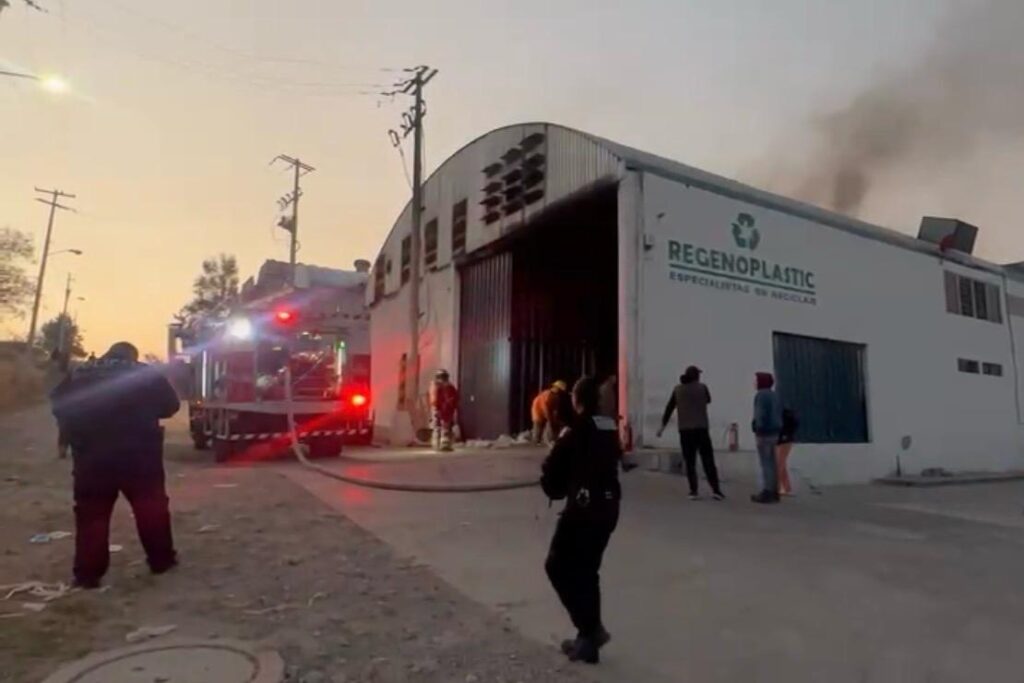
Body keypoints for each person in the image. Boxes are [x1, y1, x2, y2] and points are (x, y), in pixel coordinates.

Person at [50, 342, 181, 588]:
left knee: (92, 514)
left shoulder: (81, 372)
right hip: (140, 456)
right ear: (133, 354)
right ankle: (161, 561)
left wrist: (79, 426)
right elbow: (171, 406)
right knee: (150, 509)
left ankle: (88, 575)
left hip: (92, 457)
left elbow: (58, 404)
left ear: (106, 352)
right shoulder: (144, 372)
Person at [541, 376, 621, 665]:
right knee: (588, 571)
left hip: (584, 509)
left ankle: (589, 630)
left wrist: (556, 484)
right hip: (609, 507)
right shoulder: (608, 427)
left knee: (557, 565)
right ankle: (588, 641)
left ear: (577, 400)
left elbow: (552, 476)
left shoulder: (574, 430)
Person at [656, 366, 724, 500]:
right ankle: (716, 490)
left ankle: (693, 491)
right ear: (696, 376)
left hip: (685, 430)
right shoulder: (702, 388)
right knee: (708, 460)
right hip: (701, 429)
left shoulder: (677, 390)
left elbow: (669, 408)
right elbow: (708, 400)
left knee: (690, 461)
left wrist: (662, 427)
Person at [751, 372, 784, 504]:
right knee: (773, 462)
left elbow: (760, 414)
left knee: (766, 463)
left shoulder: (761, 395)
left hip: (764, 432)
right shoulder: (774, 395)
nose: (755, 382)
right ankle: (775, 490)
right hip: (775, 432)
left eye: (756, 380)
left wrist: (757, 427)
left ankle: (767, 491)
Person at [531, 380, 570, 445]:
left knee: (549, 424)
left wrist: (554, 417)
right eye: (560, 390)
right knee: (538, 425)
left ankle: (548, 439)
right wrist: (549, 418)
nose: (561, 392)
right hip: (538, 410)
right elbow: (545, 407)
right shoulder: (548, 394)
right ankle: (536, 441)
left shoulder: (555, 396)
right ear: (556, 388)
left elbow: (554, 409)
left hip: (544, 410)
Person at [429, 369, 459, 451]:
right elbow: (453, 399)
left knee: (438, 426)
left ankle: (437, 443)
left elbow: (434, 400)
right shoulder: (448, 387)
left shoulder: (435, 386)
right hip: (444, 410)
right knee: (444, 426)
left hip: (438, 409)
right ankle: (443, 444)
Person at [776, 408, 799, 496]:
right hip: (786, 439)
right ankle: (786, 487)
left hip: (782, 440)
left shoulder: (780, 415)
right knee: (781, 464)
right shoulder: (785, 414)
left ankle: (778, 487)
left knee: (779, 464)